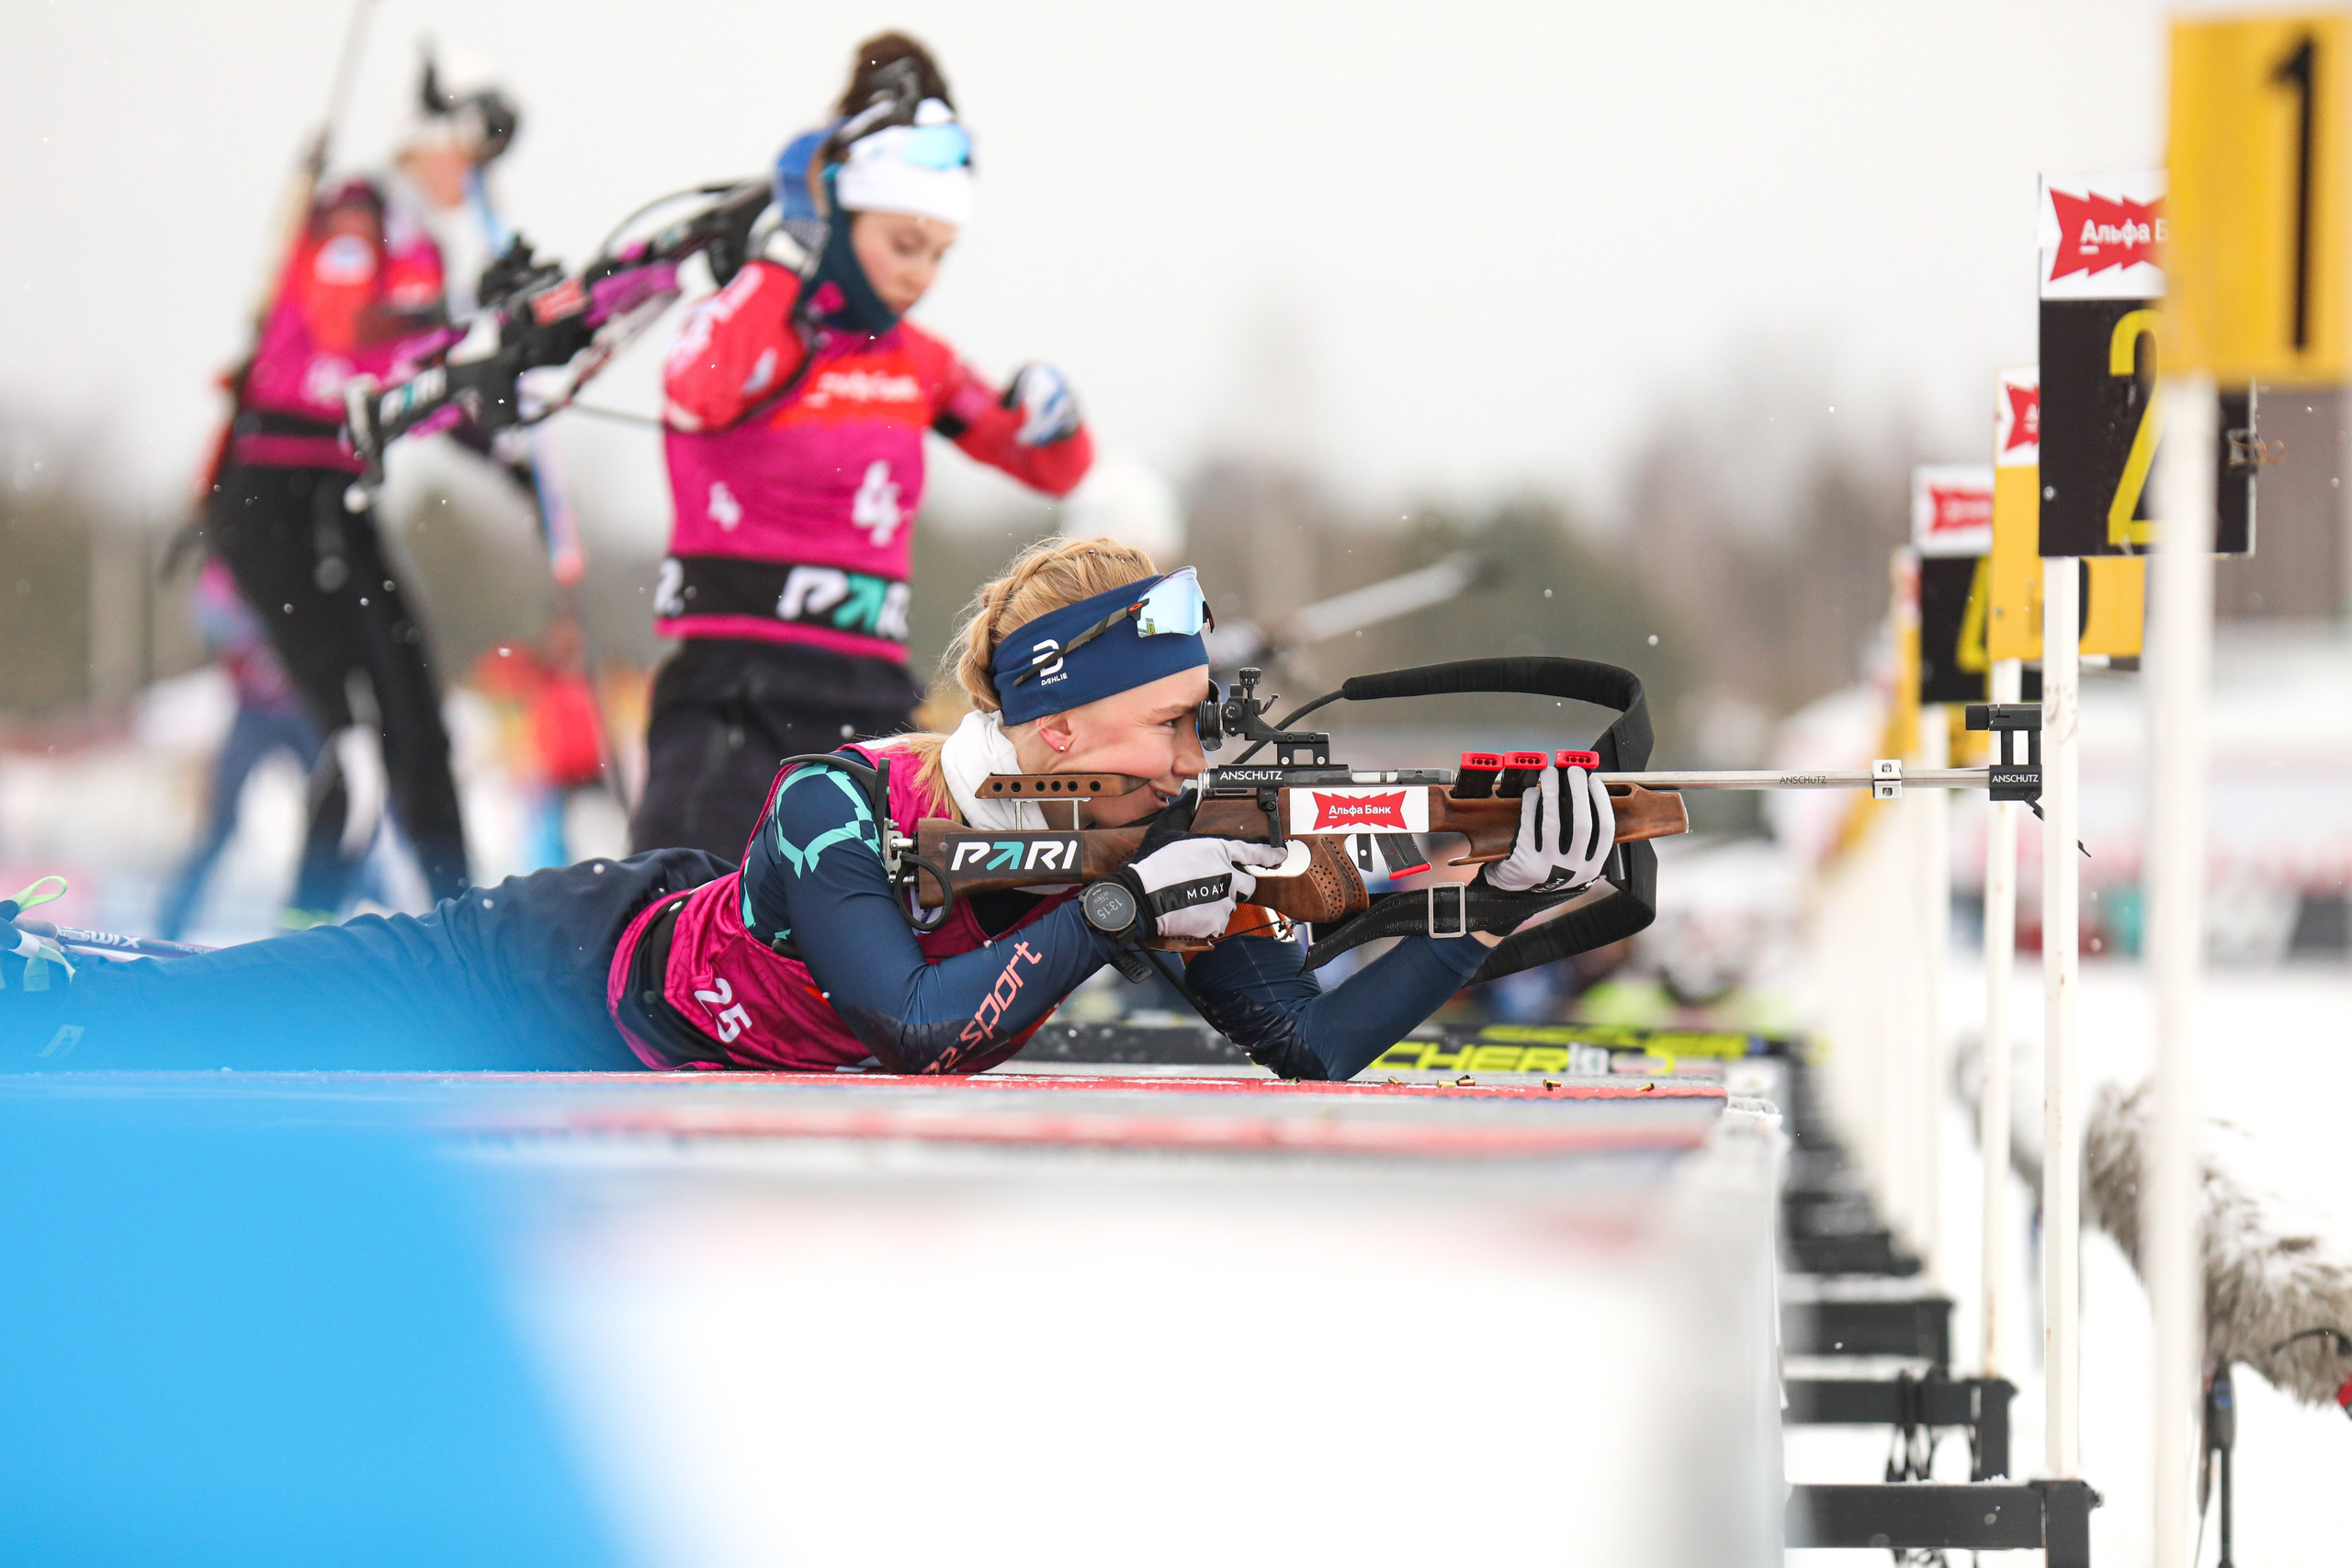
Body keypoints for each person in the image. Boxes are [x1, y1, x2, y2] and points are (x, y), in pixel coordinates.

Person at [1, 539, 1616, 1081]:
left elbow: (1312, 1041)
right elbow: (914, 1019)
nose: (1198, 760)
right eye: (1171, 723)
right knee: (208, 1022)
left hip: (656, 1090)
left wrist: (1490, 906)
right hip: (541, 973)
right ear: (1057, 721)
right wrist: (1126, 904)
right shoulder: (837, 802)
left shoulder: (1143, 844)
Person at [631, 31, 1094, 860]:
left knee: (870, 919)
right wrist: (786, 251)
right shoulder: (763, 327)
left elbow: (1050, 466)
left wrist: (1057, 415)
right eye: (904, 245)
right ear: (836, 218)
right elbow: (696, 388)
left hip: (865, 697)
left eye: (940, 254)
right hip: (736, 685)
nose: (922, 275)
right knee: (681, 900)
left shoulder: (917, 361)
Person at [206, 55, 522, 924]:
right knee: (359, 735)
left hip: (339, 496)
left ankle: (460, 932)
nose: (475, 179)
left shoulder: (423, 243)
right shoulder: (358, 209)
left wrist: (509, 440)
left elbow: (419, 389)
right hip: (274, 492)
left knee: (416, 722)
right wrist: (467, 318)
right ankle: (303, 933)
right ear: (431, 141)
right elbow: (349, 327)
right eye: (472, 156)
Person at [153, 561, 323, 941]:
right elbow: (208, 617)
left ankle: (315, 918)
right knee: (220, 824)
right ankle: (170, 924)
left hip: (304, 713)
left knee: (330, 817)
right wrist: (262, 619)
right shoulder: (232, 562)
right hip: (253, 713)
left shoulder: (305, 557)